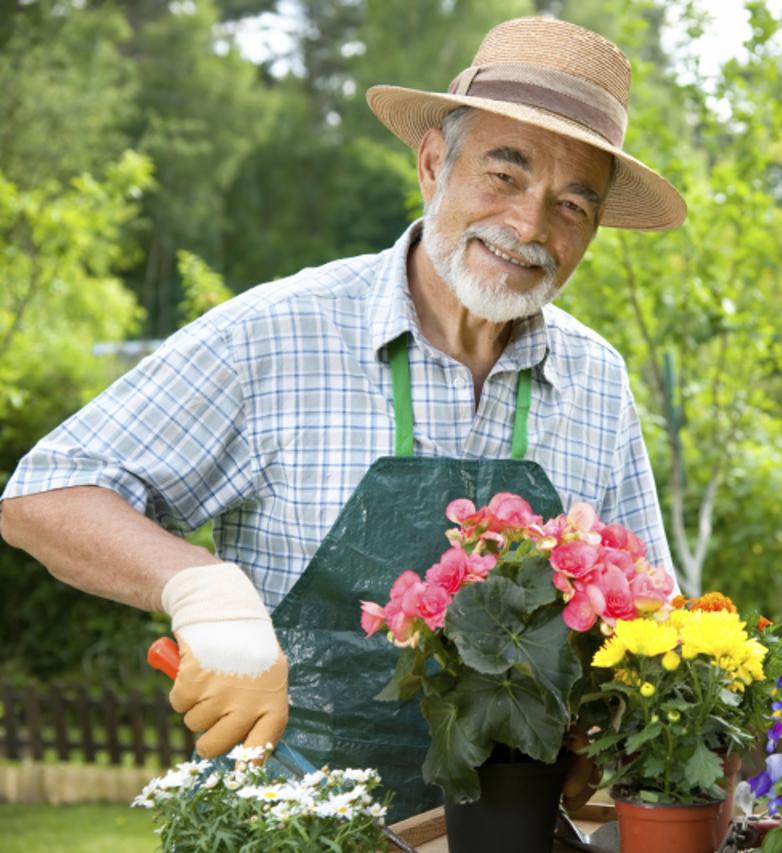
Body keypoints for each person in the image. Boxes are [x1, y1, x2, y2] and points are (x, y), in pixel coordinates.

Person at [0, 16, 684, 821]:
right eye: (504, 175)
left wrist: (605, 723)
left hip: (506, 830)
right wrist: (200, 587)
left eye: (572, 204)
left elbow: (653, 612)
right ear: (434, 163)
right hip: (285, 827)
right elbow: (45, 492)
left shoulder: (594, 378)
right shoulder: (277, 334)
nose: (530, 226)